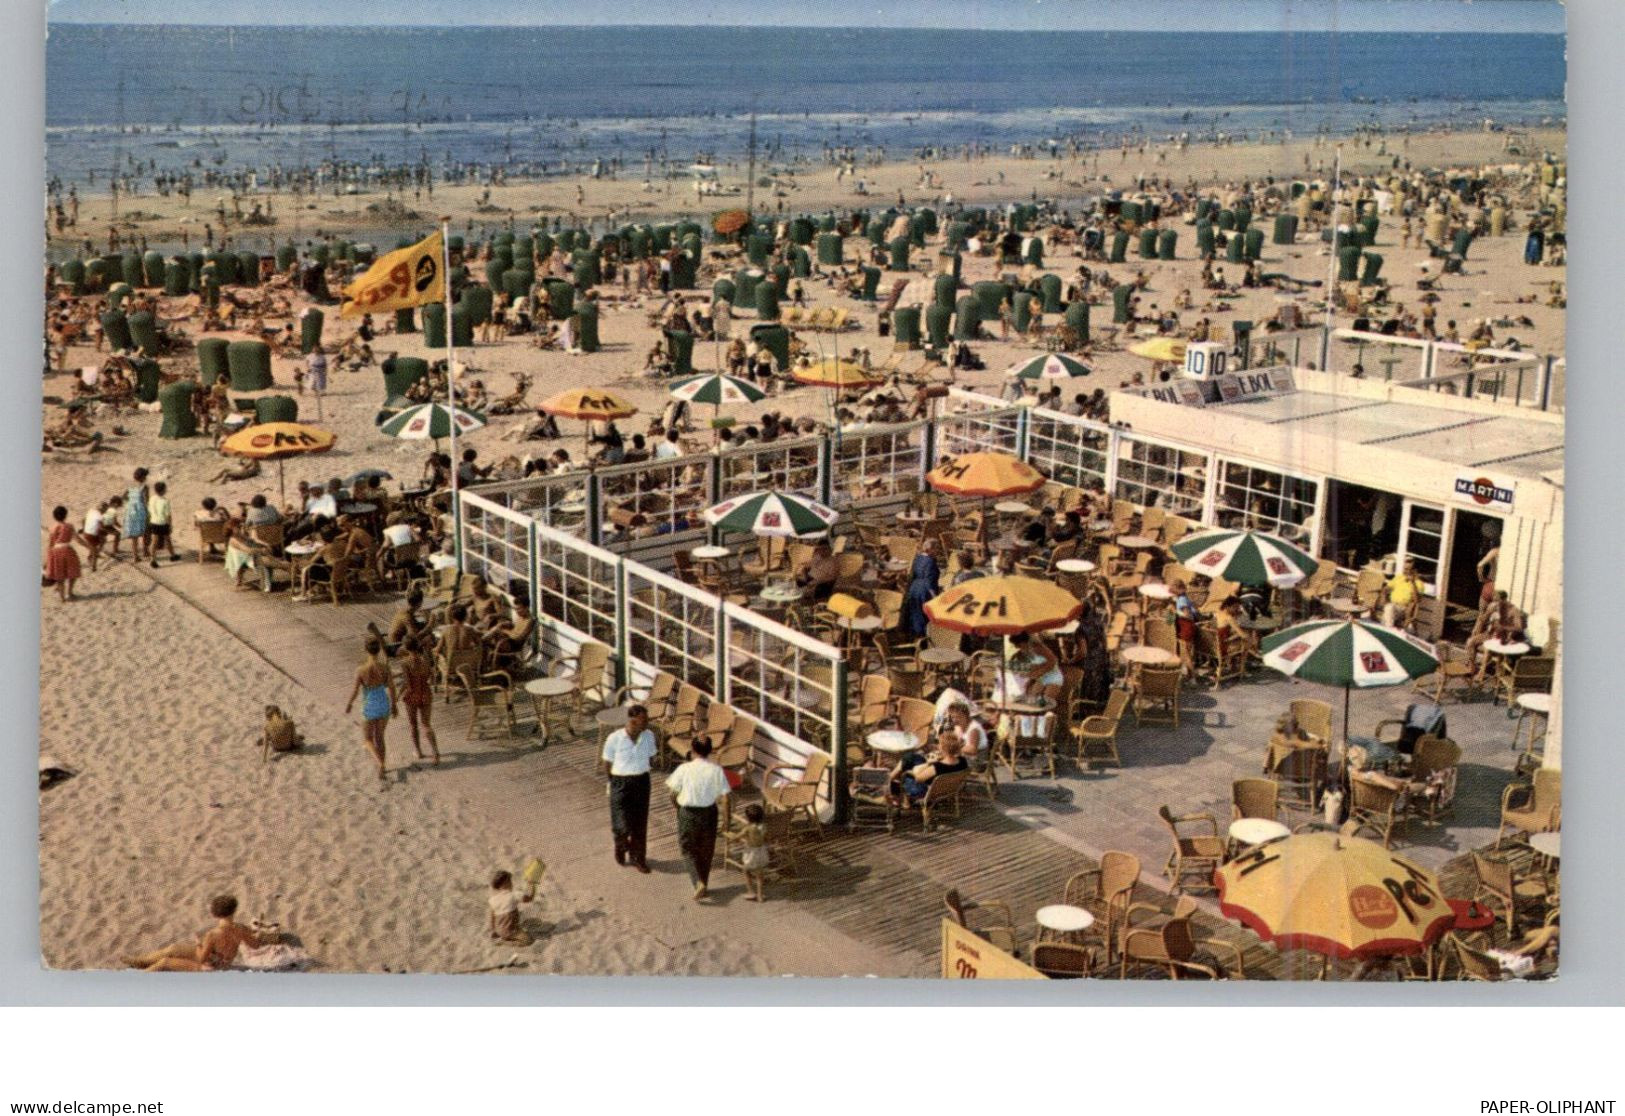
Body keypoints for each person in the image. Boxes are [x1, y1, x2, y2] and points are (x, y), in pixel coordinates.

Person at [666, 737, 732, 900]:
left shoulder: (684, 768)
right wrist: (727, 821)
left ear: (693, 750)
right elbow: (726, 799)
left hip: (688, 812)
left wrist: (679, 808)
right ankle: (704, 883)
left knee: (688, 849)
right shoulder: (716, 770)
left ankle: (698, 883)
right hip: (709, 813)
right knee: (706, 850)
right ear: (710, 751)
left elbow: (673, 794)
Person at [123, 894, 262, 972]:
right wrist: (256, 934)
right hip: (221, 962)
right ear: (233, 911)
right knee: (173, 949)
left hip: (210, 967)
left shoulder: (212, 934)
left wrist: (198, 943)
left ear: (215, 915)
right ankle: (141, 961)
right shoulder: (241, 929)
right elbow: (255, 945)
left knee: (165, 962)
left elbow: (201, 958)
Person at [600, 704, 657, 873]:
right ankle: (621, 844)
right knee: (621, 822)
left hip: (641, 781)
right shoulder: (614, 738)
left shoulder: (649, 736)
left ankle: (639, 857)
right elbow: (607, 762)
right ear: (632, 721)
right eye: (643, 720)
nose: (647, 722)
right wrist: (613, 781)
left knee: (640, 823)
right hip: (620, 782)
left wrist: (642, 768)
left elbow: (652, 757)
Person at [343, 637, 397, 782]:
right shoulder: (385, 667)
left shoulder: (361, 670)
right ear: (379, 650)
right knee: (380, 738)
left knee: (367, 740)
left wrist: (349, 704)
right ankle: (383, 767)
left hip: (369, 704)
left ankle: (379, 763)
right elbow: (392, 688)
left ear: (366, 650)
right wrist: (394, 705)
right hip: (383, 702)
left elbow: (355, 690)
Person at [890, 730, 968, 806]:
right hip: (947, 789)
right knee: (911, 757)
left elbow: (918, 778)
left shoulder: (937, 766)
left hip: (926, 791)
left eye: (939, 743)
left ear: (943, 747)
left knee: (905, 771)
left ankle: (890, 785)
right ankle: (890, 780)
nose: (937, 746)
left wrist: (928, 763)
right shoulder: (963, 761)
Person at [397, 636, 439, 766]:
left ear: (405, 647)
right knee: (426, 724)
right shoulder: (425, 660)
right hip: (425, 692)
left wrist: (398, 695)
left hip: (412, 695)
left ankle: (418, 750)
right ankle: (435, 751)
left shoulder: (405, 662)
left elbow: (407, 684)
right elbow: (432, 679)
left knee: (413, 724)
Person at [1008, 632, 1063, 703]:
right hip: (1042, 678)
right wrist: (1030, 678)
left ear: (1024, 642)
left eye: (1018, 644)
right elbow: (1037, 666)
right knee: (1032, 700)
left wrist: (1038, 673)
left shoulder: (1038, 648)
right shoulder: (1028, 650)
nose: (1017, 647)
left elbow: (1053, 661)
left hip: (1053, 677)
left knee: (1046, 702)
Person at [901, 537, 941, 636]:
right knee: (924, 614)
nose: (938, 551)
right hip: (924, 590)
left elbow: (912, 574)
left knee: (914, 612)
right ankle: (922, 636)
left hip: (914, 587)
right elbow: (929, 581)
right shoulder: (930, 562)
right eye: (936, 548)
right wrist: (935, 596)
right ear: (930, 549)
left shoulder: (918, 558)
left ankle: (912, 634)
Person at [44, 506, 81, 604]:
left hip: (56, 552)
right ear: (65, 515)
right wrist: (89, 547)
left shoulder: (53, 527)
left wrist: (47, 558)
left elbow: (50, 543)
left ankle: (62, 598)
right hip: (68, 550)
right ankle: (70, 592)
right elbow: (78, 539)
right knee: (73, 571)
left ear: (54, 516)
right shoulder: (70, 526)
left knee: (59, 576)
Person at [487, 871, 532, 946]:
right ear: (506, 883)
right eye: (510, 881)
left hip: (499, 930)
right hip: (511, 930)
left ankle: (503, 937)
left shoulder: (493, 900)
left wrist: (493, 931)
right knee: (527, 940)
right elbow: (529, 898)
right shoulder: (513, 895)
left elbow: (491, 918)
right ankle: (504, 942)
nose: (512, 883)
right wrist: (531, 884)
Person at [737, 802, 770, 902]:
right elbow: (767, 838)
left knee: (746, 870)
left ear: (748, 818)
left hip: (751, 853)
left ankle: (751, 891)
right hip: (761, 852)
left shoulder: (747, 828)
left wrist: (732, 837)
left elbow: (737, 836)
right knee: (760, 875)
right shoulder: (764, 827)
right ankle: (760, 895)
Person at [1169, 578, 1201, 677]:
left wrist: (1175, 611)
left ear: (1177, 589)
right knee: (1186, 653)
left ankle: (1193, 677)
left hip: (1186, 628)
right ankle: (1190, 675)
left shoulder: (1182, 599)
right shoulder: (1182, 598)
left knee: (1186, 654)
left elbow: (1187, 615)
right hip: (1186, 627)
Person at [1382, 559, 1425, 631]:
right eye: (1404, 569)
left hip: (1404, 609)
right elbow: (1385, 589)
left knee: (1389, 609)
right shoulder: (1399, 578)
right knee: (1388, 611)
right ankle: (1389, 630)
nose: (1405, 571)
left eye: (1407, 569)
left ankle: (1389, 631)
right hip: (1392, 606)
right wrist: (1385, 600)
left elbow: (1417, 600)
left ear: (1414, 571)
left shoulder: (1419, 584)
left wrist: (1412, 583)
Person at [122, 467, 150, 562]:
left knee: (134, 534)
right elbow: (147, 501)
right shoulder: (144, 487)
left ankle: (135, 556)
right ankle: (145, 551)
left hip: (130, 511)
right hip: (140, 510)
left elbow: (124, 497)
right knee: (145, 531)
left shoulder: (130, 486)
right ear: (142, 477)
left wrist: (131, 503)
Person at [147, 481, 175, 565]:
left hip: (153, 521)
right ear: (163, 490)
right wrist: (170, 525)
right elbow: (168, 515)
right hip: (163, 523)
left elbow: (149, 509)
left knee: (154, 541)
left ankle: (153, 559)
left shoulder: (152, 498)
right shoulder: (165, 501)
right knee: (167, 540)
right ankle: (172, 555)